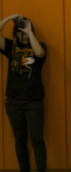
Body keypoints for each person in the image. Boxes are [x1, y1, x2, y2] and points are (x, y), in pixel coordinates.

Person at [0, 13, 47, 172]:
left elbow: (39, 53)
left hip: (34, 101)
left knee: (37, 140)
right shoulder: (10, 46)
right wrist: (9, 18)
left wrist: (29, 32)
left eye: (25, 26)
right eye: (20, 28)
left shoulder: (40, 45)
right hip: (13, 101)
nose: (22, 30)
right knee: (20, 140)